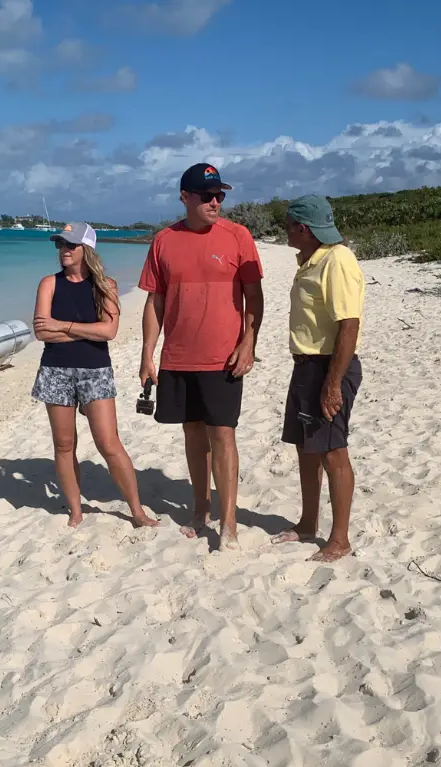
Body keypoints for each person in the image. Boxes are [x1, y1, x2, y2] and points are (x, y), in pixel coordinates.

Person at [138, 163, 264, 551]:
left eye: (220, 196)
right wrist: (148, 353)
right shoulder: (163, 241)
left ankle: (229, 525)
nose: (216, 202)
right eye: (208, 195)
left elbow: (254, 297)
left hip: (223, 358)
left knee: (223, 435)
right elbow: (154, 300)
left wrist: (249, 343)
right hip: (178, 356)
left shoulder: (238, 236)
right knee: (193, 433)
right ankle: (200, 510)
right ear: (185, 197)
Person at [32, 222, 159, 530]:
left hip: (95, 371)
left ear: (86, 250)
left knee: (109, 443)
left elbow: (109, 331)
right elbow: (39, 330)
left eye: (70, 245)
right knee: (64, 445)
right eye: (60, 244)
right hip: (55, 371)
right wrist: (87, 332)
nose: (64, 249)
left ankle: (137, 511)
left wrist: (62, 326)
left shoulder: (106, 286)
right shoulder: (49, 283)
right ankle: (76, 511)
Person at [274, 194, 365, 562]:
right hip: (306, 365)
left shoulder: (337, 260)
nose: (285, 232)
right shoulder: (311, 259)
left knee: (332, 450)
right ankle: (308, 522)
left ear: (303, 228)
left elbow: (349, 324)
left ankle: (339, 539)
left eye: (288, 226)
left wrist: (332, 383)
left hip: (329, 367)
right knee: (306, 447)